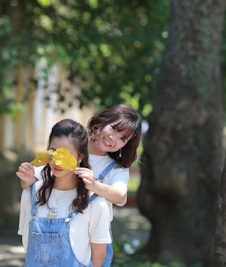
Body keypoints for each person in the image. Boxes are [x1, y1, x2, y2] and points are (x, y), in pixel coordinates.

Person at [18, 104, 142, 266]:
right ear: (101, 123)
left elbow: (120, 195)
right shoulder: (71, 141)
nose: (114, 138)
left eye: (123, 138)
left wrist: (94, 185)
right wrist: (26, 181)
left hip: (94, 235)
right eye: (113, 129)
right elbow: (35, 178)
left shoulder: (116, 169)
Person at [17, 119, 112, 267]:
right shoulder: (32, 193)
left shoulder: (95, 203)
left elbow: (99, 257)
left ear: (80, 157)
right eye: (53, 152)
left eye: (65, 154)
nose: (56, 161)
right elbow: (27, 244)